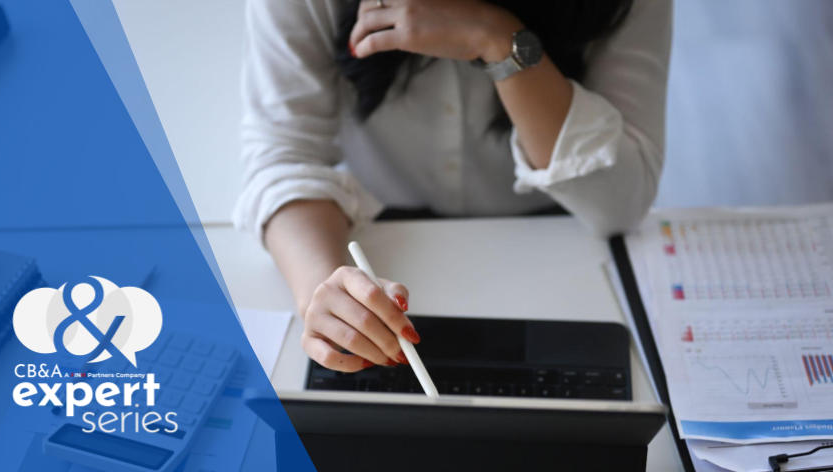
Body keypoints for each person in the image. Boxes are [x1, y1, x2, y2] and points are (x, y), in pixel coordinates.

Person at [234, 0, 671, 372]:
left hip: (560, 237)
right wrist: (325, 293)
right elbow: (285, 154)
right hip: (376, 237)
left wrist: (498, 40)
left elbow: (620, 202)